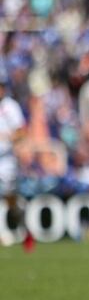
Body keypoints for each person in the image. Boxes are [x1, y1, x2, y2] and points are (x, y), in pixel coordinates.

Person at [0, 79, 26, 234]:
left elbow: (21, 132)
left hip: (6, 160)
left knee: (8, 195)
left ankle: (16, 213)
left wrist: (6, 137)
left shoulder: (11, 106)